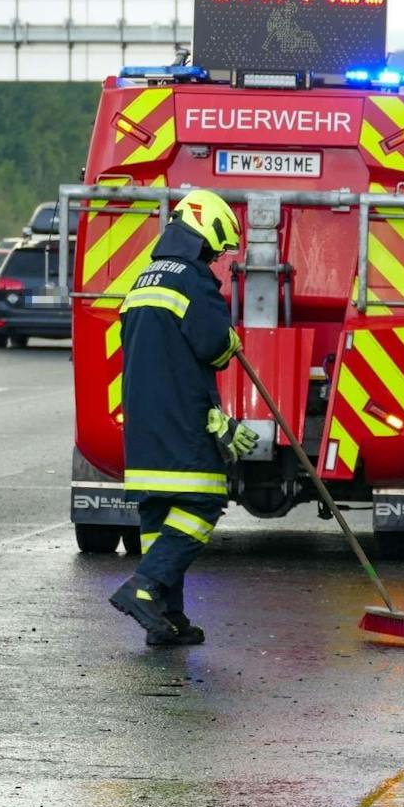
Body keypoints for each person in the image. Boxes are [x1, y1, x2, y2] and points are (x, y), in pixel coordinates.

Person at [107, 189, 256, 646]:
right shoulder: (193, 279)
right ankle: (144, 589)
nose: (215, 259)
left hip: (144, 423)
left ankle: (168, 618)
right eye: (215, 250)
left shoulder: (143, 277)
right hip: (180, 421)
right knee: (203, 502)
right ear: (202, 232)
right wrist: (232, 343)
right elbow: (213, 345)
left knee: (158, 513)